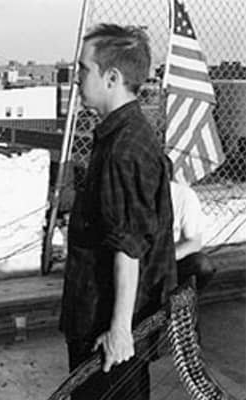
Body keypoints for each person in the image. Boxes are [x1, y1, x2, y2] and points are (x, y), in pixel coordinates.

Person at [59, 24, 177, 400]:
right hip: (100, 320)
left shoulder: (124, 147)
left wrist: (120, 330)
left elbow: (129, 246)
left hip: (105, 331)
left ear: (111, 77)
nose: (76, 78)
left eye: (83, 69)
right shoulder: (120, 137)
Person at [168, 161, 216, 290]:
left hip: (171, 258)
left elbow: (194, 242)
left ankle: (183, 299)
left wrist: (166, 258)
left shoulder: (183, 196)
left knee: (202, 265)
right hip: (140, 260)